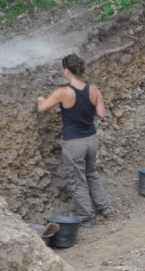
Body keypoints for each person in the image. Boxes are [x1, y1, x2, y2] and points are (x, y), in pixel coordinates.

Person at [37, 54, 111, 229]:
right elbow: (101, 114)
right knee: (91, 173)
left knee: (76, 179)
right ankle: (104, 207)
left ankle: (85, 216)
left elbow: (42, 108)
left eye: (63, 69)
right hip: (91, 139)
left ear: (67, 71)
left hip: (74, 143)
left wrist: (40, 98)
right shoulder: (93, 89)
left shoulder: (63, 92)